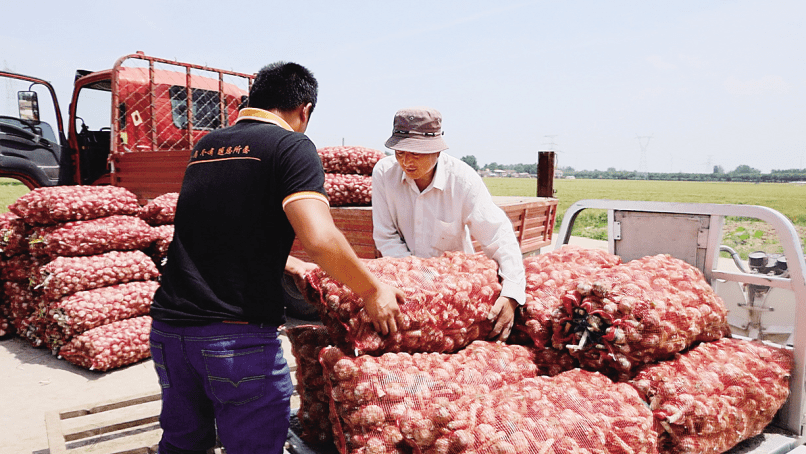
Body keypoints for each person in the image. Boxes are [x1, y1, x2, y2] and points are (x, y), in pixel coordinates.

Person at [149, 62, 404, 454]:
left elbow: (212, 230)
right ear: (305, 109)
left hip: (170, 332)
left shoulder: (208, 146)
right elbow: (319, 239)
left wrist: (285, 262)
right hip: (235, 340)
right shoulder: (292, 146)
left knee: (182, 444)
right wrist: (372, 290)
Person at [371, 106, 526, 341]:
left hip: (454, 289)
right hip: (403, 281)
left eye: (416, 153)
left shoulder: (462, 179)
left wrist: (512, 293)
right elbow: (386, 236)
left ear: (436, 151)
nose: (406, 161)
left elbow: (497, 235)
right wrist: (416, 277)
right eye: (400, 153)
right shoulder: (384, 173)